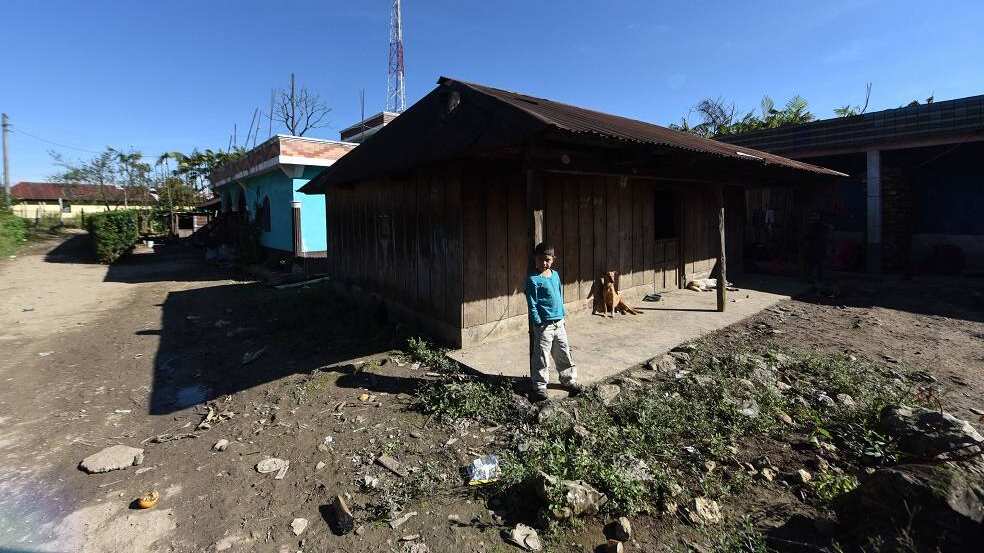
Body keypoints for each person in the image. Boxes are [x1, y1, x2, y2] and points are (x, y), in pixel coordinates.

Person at [525, 243, 583, 402]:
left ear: (553, 260)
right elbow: (532, 303)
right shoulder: (533, 279)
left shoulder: (555, 275)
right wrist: (537, 321)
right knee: (542, 356)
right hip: (544, 325)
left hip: (559, 322)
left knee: (563, 352)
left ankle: (569, 380)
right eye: (541, 259)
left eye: (548, 260)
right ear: (535, 259)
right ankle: (540, 386)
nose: (544, 263)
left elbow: (558, 294)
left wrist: (562, 315)